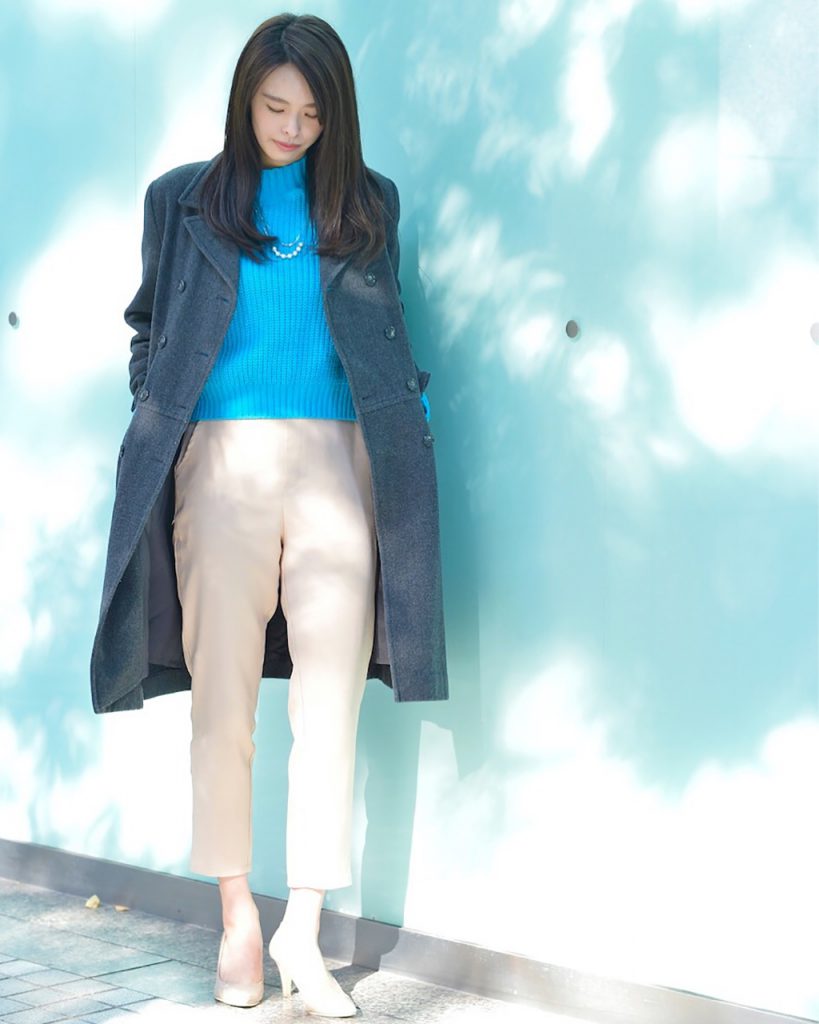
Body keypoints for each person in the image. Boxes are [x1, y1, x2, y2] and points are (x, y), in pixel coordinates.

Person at [89, 10, 449, 1020]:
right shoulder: (182, 200)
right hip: (221, 467)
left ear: (338, 117)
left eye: (311, 114)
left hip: (339, 465)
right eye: (274, 107)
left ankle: (307, 927)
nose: (291, 128)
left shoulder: (369, 204)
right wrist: (163, 414)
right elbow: (148, 326)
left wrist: (401, 417)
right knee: (223, 699)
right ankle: (239, 914)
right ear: (244, 100)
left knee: (330, 702)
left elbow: (383, 329)